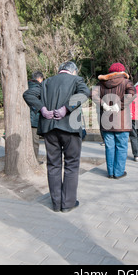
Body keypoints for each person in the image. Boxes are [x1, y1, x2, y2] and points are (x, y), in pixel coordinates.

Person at [23, 61, 90, 213]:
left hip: (49, 129)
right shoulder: (77, 80)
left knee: (53, 165)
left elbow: (28, 94)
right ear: (73, 71)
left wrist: (43, 109)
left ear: (60, 70)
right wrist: (66, 108)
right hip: (70, 128)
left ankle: (56, 203)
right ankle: (67, 204)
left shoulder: (46, 82)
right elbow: (85, 92)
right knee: (71, 165)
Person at [92, 63, 135, 179]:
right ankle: (119, 172)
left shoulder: (101, 83)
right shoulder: (126, 82)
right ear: (122, 71)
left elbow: (92, 94)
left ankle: (110, 172)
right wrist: (119, 105)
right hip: (122, 122)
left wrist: (104, 105)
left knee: (109, 146)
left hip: (106, 121)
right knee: (121, 146)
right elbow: (132, 94)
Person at [28, 71, 44, 163]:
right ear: (39, 79)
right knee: (35, 141)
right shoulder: (38, 88)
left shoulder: (26, 85)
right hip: (34, 119)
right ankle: (34, 160)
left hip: (26, 119)